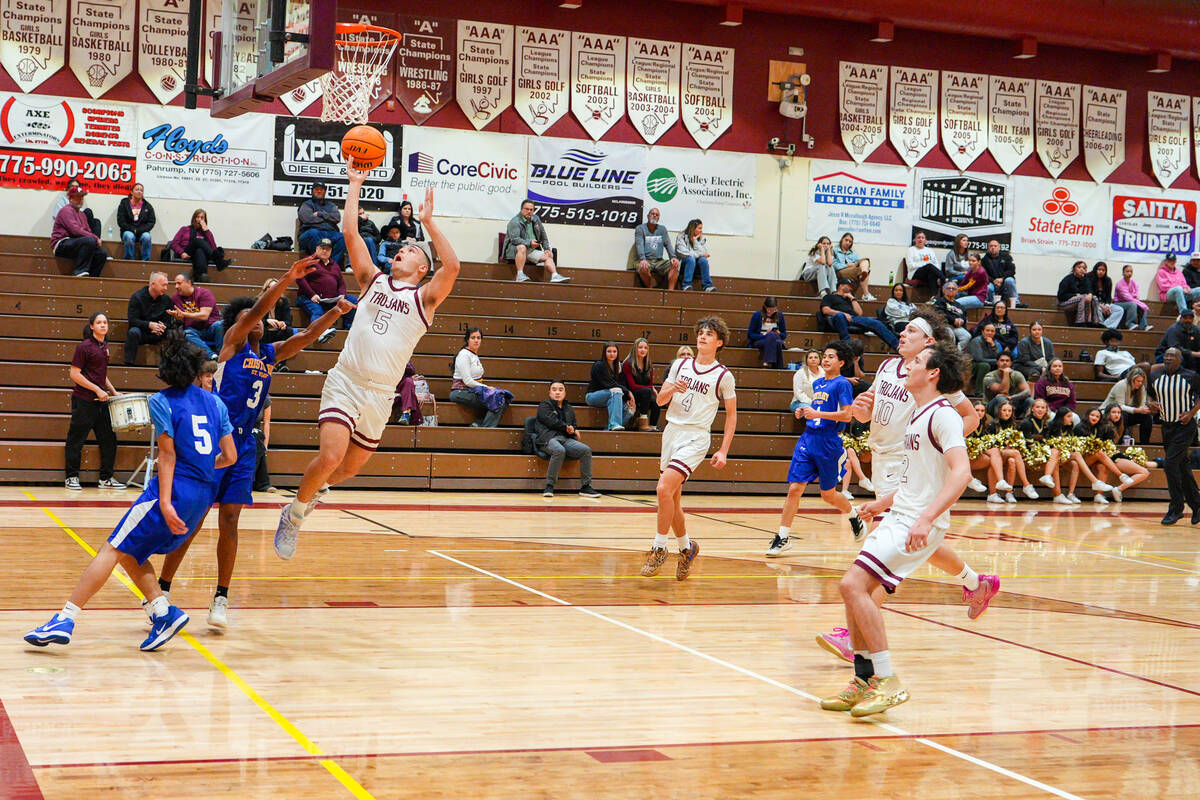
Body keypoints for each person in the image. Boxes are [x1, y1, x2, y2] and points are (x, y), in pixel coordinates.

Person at [156, 258, 353, 629]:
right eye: (251, 316)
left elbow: (307, 337)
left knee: (230, 520)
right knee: (193, 520)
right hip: (214, 442)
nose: (259, 319)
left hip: (245, 446)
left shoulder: (269, 354)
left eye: (261, 316)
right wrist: (284, 281)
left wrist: (336, 314)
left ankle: (221, 598)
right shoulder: (232, 345)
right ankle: (163, 589)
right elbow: (259, 309)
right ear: (238, 323)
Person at [273, 177, 461, 560]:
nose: (401, 251)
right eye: (401, 248)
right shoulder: (372, 279)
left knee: (347, 471)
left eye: (409, 250)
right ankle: (293, 516)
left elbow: (454, 267)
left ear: (421, 267)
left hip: (379, 395)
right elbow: (349, 231)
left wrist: (429, 224)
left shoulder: (424, 299)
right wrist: (355, 181)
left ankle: (314, 492)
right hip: (346, 381)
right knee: (329, 458)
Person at [24, 330, 236, 651]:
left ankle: (65, 618)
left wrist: (165, 501)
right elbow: (230, 456)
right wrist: (202, 471)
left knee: (111, 548)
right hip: (203, 496)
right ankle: (163, 613)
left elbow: (167, 456)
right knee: (130, 554)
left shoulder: (162, 401)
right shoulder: (216, 403)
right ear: (194, 370)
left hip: (172, 492)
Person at [810, 313, 994, 662]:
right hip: (883, 461)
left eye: (911, 330)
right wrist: (861, 410)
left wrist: (940, 444)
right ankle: (975, 582)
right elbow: (866, 418)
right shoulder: (887, 369)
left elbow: (971, 417)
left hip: (907, 463)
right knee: (914, 543)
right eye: (903, 328)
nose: (902, 333)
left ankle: (857, 640)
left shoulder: (934, 379)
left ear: (928, 343)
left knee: (878, 554)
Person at [819, 343, 973, 717]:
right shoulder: (918, 416)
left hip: (917, 522)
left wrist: (925, 518)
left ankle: (887, 681)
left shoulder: (944, 416)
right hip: (901, 513)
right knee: (858, 593)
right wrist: (881, 503)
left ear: (933, 374)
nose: (910, 364)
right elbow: (916, 480)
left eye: (918, 361)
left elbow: (962, 473)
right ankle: (864, 680)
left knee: (851, 585)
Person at [640, 317, 736, 581]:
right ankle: (687, 548)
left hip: (695, 437)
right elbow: (659, 401)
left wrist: (723, 449)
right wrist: (671, 387)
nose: (702, 337)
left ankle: (660, 547)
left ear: (719, 342)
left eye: (709, 334)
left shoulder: (724, 376)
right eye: (700, 332)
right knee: (671, 499)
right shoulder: (680, 364)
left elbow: (731, 415)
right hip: (671, 432)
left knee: (662, 489)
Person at [771, 342, 865, 554]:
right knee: (795, 488)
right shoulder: (818, 383)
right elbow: (818, 408)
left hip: (828, 442)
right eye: (824, 355)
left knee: (828, 495)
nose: (826, 359)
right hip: (808, 439)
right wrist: (805, 410)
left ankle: (853, 514)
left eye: (831, 356)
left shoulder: (842, 384)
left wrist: (818, 414)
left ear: (841, 362)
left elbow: (847, 415)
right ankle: (783, 536)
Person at [64, 312, 124, 491]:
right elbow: (74, 374)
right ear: (92, 326)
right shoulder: (84, 347)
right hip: (84, 401)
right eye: (99, 322)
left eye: (105, 322)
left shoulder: (105, 347)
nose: (103, 325)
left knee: (109, 440)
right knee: (76, 440)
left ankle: (105, 479)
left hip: (102, 402)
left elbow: (101, 375)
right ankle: (71, 477)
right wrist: (96, 389)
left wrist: (113, 391)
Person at [1148, 347, 1200, 525]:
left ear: (1180, 359)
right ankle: (1197, 506)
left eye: (1173, 356)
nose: (1168, 358)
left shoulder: (1191, 376)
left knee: (1170, 464)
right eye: (1167, 356)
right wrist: (1151, 403)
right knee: (1182, 466)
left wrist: (1191, 413)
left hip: (1185, 426)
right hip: (1167, 426)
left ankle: (1176, 508)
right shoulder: (1155, 375)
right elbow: (1149, 394)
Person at [536, 381, 601, 498]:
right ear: (549, 392)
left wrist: (574, 429)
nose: (557, 392)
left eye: (561, 390)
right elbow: (551, 422)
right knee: (559, 450)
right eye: (554, 389)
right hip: (548, 438)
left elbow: (573, 424)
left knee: (585, 450)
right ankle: (549, 486)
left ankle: (586, 486)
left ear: (565, 393)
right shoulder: (544, 405)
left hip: (565, 439)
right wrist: (567, 427)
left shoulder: (568, 408)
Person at [296, 238, 358, 342]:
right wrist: (312, 294)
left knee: (353, 302)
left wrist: (342, 294)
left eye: (328, 249)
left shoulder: (335, 265)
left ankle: (349, 331)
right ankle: (319, 333)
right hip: (309, 297)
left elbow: (341, 283)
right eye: (322, 248)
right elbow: (300, 278)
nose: (325, 251)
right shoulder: (309, 261)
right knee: (316, 310)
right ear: (317, 249)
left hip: (331, 299)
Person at [450, 327, 511, 427]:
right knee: (498, 399)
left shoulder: (473, 355)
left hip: (472, 391)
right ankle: (486, 430)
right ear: (467, 340)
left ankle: (478, 424)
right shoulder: (464, 355)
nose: (476, 340)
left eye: (478, 338)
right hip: (461, 392)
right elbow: (468, 381)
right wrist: (486, 388)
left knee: (504, 397)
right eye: (473, 338)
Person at [818, 279, 899, 350]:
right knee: (840, 316)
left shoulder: (849, 298)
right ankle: (847, 346)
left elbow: (859, 313)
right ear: (841, 286)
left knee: (876, 323)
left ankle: (897, 345)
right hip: (836, 318)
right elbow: (825, 310)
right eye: (848, 286)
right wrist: (843, 314)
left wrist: (852, 298)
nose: (850, 288)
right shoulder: (829, 297)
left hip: (853, 318)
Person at [984, 400, 1040, 501]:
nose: (1007, 413)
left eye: (1009, 411)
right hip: (996, 454)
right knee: (1015, 453)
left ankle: (1009, 493)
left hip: (1007, 455)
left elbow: (1019, 443)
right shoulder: (993, 425)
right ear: (999, 411)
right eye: (1004, 410)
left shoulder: (1014, 425)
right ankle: (1026, 484)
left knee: (1012, 461)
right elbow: (989, 445)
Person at [505, 199, 569, 283]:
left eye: (531, 210)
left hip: (531, 249)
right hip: (515, 250)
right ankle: (520, 275)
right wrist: (529, 243)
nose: (529, 211)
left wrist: (546, 249)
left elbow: (543, 235)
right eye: (526, 209)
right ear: (521, 209)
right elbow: (515, 239)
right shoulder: (514, 222)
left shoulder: (535, 219)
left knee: (548, 256)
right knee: (522, 247)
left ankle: (554, 275)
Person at [51, 186, 108, 277]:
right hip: (62, 243)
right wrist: (95, 238)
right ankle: (80, 271)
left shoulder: (82, 214)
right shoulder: (66, 210)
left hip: (76, 243)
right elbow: (75, 230)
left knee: (102, 253)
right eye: (77, 197)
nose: (80, 200)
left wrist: (94, 240)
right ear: (70, 198)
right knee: (89, 240)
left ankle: (92, 277)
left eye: (82, 197)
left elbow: (87, 230)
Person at [1101, 405, 1151, 501]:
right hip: (1111, 459)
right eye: (1114, 412)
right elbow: (1109, 451)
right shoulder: (1107, 428)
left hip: (1113, 457)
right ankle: (1119, 489)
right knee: (1144, 472)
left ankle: (1118, 489)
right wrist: (1128, 459)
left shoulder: (1118, 427)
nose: (1117, 415)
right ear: (1107, 414)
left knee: (1145, 468)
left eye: (1119, 413)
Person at [168, 273, 222, 359]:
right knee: (186, 334)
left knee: (220, 325)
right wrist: (178, 318)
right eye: (175, 283)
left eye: (179, 283)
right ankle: (212, 356)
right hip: (193, 330)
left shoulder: (204, 293)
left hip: (210, 328)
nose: (176, 286)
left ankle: (224, 356)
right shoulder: (175, 298)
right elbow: (180, 321)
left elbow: (204, 316)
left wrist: (184, 314)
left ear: (189, 283)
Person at [125, 271, 174, 366]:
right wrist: (149, 325)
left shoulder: (167, 300)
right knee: (133, 332)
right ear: (153, 284)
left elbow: (168, 321)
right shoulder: (137, 297)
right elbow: (133, 320)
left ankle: (170, 366)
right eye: (163, 285)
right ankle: (129, 364)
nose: (166, 288)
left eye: (166, 285)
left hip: (159, 333)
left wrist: (163, 327)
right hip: (142, 332)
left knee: (173, 334)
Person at [168, 209, 230, 282]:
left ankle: (201, 277)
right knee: (197, 240)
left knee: (200, 251)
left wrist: (206, 231)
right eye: (197, 217)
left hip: (199, 255)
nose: (199, 220)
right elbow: (174, 243)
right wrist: (181, 252)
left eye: (202, 218)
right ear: (194, 218)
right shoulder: (184, 229)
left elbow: (213, 247)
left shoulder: (206, 232)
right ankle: (219, 262)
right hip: (187, 252)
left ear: (205, 220)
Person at [1058, 259, 1122, 328]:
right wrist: (1074, 295)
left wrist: (1090, 294)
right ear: (1074, 269)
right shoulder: (1067, 279)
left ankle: (1095, 322)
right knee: (1083, 297)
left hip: (1081, 301)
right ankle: (1080, 322)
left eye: (1084, 268)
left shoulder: (1085, 280)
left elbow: (1089, 290)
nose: (1081, 269)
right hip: (1064, 303)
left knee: (1093, 298)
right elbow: (1061, 296)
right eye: (1079, 267)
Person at [297, 181, 347, 267]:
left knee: (342, 237)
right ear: (312, 191)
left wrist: (320, 214)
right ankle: (319, 264)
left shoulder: (331, 205)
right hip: (309, 233)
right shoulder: (306, 204)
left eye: (321, 189)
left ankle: (332, 265)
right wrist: (328, 219)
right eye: (316, 189)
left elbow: (336, 218)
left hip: (330, 233)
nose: (319, 191)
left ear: (325, 191)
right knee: (314, 233)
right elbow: (308, 219)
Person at [586, 342, 634, 431]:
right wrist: (628, 392)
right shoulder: (599, 365)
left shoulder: (618, 366)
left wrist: (627, 398)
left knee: (629, 410)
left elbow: (622, 384)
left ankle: (608, 431)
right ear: (604, 353)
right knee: (616, 391)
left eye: (614, 351)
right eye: (609, 351)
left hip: (610, 396)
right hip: (593, 396)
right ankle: (614, 424)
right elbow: (609, 384)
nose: (612, 354)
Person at [1102, 366, 1154, 444]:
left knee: (1146, 416)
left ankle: (1145, 443)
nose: (1140, 383)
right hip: (1110, 412)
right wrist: (1137, 410)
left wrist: (1146, 408)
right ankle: (1119, 442)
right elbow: (1120, 406)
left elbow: (1142, 405)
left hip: (1128, 413)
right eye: (1138, 381)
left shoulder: (1141, 387)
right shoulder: (1122, 385)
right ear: (1131, 379)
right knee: (1123, 414)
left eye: (1141, 381)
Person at [633, 208, 679, 289]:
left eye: (656, 215)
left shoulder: (662, 229)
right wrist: (642, 259)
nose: (654, 215)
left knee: (675, 264)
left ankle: (670, 292)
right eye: (652, 213)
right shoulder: (640, 228)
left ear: (658, 218)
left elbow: (668, 244)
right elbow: (639, 244)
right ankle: (650, 289)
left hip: (659, 261)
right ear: (648, 216)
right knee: (643, 267)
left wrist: (673, 257)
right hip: (645, 260)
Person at [620, 337, 659, 431]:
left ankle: (653, 427)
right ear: (635, 349)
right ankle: (643, 421)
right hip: (630, 394)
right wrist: (650, 388)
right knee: (647, 391)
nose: (643, 350)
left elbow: (650, 384)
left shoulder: (649, 364)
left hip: (644, 394)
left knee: (656, 402)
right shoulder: (628, 364)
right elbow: (632, 386)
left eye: (645, 348)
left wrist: (651, 389)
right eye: (640, 347)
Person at [984, 352, 1032, 418]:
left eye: (1007, 361)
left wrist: (1012, 397)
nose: (1005, 363)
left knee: (1030, 400)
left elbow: (1028, 392)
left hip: (1012, 404)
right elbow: (1003, 391)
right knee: (1002, 399)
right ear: (997, 362)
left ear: (1011, 363)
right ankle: (1000, 423)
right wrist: (1006, 374)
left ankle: (1028, 424)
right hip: (992, 406)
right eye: (1002, 360)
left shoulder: (1017, 374)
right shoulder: (989, 377)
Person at [117, 183, 155, 261]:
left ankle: (145, 260)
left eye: (141, 190)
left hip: (142, 232)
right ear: (131, 192)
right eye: (137, 189)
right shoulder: (124, 204)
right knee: (129, 236)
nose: (139, 192)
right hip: (128, 231)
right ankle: (129, 260)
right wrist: (132, 229)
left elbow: (151, 222)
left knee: (147, 237)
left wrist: (138, 230)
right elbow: (121, 221)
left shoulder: (148, 206)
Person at [675, 219, 714, 292]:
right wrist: (700, 254)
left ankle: (707, 286)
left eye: (701, 228)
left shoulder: (701, 238)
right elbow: (684, 253)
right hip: (684, 264)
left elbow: (704, 253)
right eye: (699, 228)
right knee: (691, 259)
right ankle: (686, 285)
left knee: (703, 260)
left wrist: (695, 241)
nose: (701, 231)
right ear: (693, 228)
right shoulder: (681, 237)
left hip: (696, 265)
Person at [747, 297, 787, 368]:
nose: (771, 312)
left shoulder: (780, 316)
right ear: (765, 307)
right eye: (769, 310)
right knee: (773, 337)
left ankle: (767, 362)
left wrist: (779, 333)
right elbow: (750, 334)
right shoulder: (757, 315)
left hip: (775, 339)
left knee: (775, 339)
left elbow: (784, 335)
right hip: (760, 340)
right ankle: (778, 367)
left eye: (774, 310)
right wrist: (766, 336)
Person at [931, 281, 971, 349]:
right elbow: (940, 314)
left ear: (957, 291)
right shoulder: (940, 302)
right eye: (948, 288)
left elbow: (964, 316)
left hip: (957, 326)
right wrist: (953, 320)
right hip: (945, 325)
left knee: (967, 336)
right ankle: (949, 353)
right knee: (950, 335)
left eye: (953, 288)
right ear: (944, 290)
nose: (951, 290)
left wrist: (961, 320)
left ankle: (956, 352)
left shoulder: (959, 305)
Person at [832, 233, 872, 300]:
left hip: (851, 271)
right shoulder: (834, 250)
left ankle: (863, 273)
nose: (848, 243)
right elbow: (834, 265)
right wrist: (847, 265)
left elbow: (858, 263)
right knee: (862, 270)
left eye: (850, 241)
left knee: (865, 260)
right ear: (842, 240)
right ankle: (866, 294)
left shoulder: (853, 253)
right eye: (846, 240)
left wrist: (855, 265)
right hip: (840, 272)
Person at [980, 239, 1021, 306]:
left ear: (999, 247)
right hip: (992, 282)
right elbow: (984, 274)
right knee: (988, 287)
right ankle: (991, 303)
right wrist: (993, 281)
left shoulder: (1007, 257)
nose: (993, 248)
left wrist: (1002, 279)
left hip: (1004, 281)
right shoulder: (984, 260)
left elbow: (1012, 270)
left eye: (995, 246)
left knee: (1010, 280)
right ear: (988, 248)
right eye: (991, 246)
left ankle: (1016, 302)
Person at [967, 323, 1004, 394]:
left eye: (992, 331)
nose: (990, 333)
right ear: (983, 331)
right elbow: (979, 359)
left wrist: (993, 346)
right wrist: (996, 361)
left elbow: (1000, 357)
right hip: (973, 366)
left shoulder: (995, 343)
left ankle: (1000, 390)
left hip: (989, 364)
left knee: (1004, 365)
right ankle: (978, 391)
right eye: (987, 330)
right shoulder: (976, 341)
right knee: (984, 365)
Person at [1114, 264, 1152, 331]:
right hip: (1119, 303)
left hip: (1129, 301)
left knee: (1140, 305)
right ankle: (1130, 324)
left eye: (1131, 271)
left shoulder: (1133, 282)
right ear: (1123, 273)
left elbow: (1137, 295)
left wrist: (1135, 297)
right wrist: (1133, 296)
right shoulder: (1120, 284)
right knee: (1133, 304)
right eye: (1127, 271)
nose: (1129, 273)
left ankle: (1144, 326)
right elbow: (1127, 297)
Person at [258, 278, 294, 345]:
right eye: (270, 287)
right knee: (261, 331)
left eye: (275, 287)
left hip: (278, 330)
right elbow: (255, 320)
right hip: (265, 329)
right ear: (265, 289)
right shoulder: (259, 301)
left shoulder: (284, 301)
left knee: (288, 331)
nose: (272, 290)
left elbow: (288, 320)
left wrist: (283, 323)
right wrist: (267, 321)